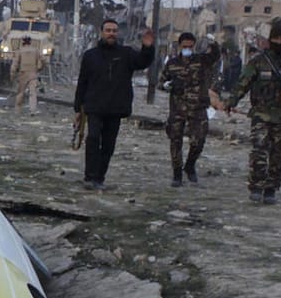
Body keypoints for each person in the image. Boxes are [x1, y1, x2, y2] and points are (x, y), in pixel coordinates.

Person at [223, 19, 281, 204]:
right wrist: (231, 102)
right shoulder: (259, 61)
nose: (279, 42)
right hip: (261, 114)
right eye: (276, 38)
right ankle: (256, 186)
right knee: (259, 151)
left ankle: (271, 189)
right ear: (270, 40)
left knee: (279, 155)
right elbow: (243, 84)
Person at [73, 19, 156, 190]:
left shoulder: (126, 54)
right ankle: (89, 177)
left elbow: (142, 62)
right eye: (108, 30)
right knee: (93, 139)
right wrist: (78, 108)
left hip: (116, 107)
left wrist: (147, 48)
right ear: (101, 32)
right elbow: (83, 82)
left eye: (114, 31)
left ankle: (99, 178)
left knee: (108, 145)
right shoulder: (91, 56)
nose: (111, 33)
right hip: (94, 107)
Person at [161, 31, 221, 186]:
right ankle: (177, 173)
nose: (187, 49)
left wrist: (212, 42)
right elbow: (162, 80)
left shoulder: (201, 60)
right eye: (184, 46)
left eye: (190, 46)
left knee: (198, 140)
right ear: (180, 46)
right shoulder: (172, 63)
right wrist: (166, 85)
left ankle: (189, 165)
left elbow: (215, 56)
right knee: (175, 141)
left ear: (194, 46)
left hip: (197, 107)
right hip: (177, 108)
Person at [10, 36, 46, 114]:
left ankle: (17, 110)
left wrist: (12, 74)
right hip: (33, 73)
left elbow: (15, 64)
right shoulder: (36, 50)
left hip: (23, 74)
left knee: (20, 92)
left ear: (23, 42)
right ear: (30, 42)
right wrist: (40, 68)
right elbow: (43, 59)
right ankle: (33, 110)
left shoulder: (19, 51)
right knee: (33, 92)